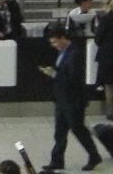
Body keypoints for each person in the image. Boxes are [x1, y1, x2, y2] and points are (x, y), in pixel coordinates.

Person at [40, 25, 101, 172]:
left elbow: (73, 78)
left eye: (55, 42)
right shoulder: (62, 52)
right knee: (59, 131)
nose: (54, 45)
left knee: (78, 129)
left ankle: (94, 155)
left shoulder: (75, 53)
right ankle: (56, 161)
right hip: (62, 98)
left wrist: (54, 74)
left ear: (63, 38)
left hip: (73, 99)